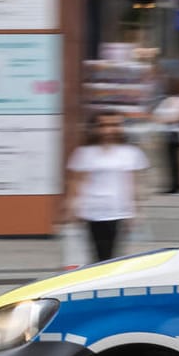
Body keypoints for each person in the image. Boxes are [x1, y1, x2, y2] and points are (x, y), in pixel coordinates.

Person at [63, 112, 149, 263]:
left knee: (113, 257)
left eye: (114, 125)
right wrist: (71, 208)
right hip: (92, 211)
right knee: (97, 256)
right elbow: (76, 182)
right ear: (95, 128)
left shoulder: (131, 153)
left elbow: (135, 183)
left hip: (119, 211)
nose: (109, 130)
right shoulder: (84, 153)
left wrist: (137, 210)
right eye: (103, 125)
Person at [150, 80, 179, 194]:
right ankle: (174, 184)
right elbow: (156, 115)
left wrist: (165, 120)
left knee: (174, 161)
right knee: (170, 161)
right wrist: (162, 119)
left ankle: (176, 185)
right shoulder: (167, 100)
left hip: (175, 133)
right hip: (168, 133)